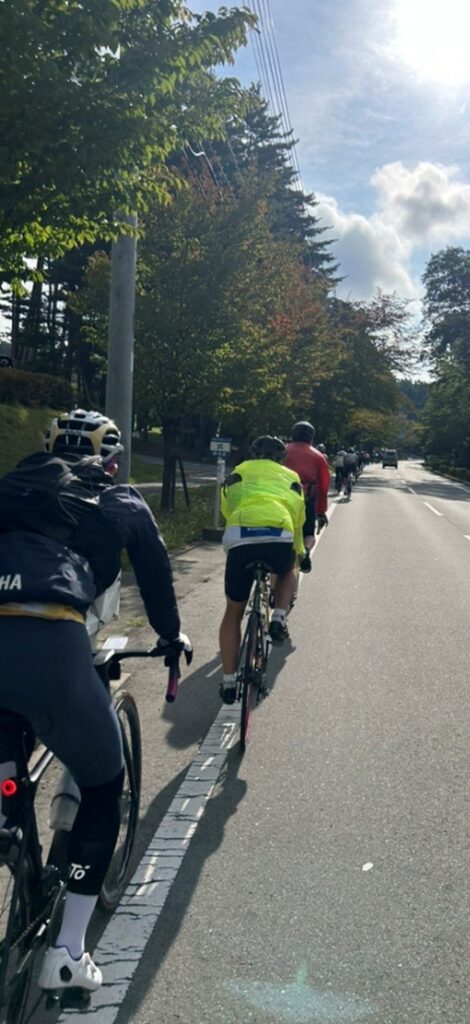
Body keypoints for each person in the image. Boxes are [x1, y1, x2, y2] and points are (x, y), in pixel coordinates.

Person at [0, 408, 191, 994]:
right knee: (105, 784)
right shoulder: (119, 499)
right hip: (49, 639)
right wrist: (169, 634)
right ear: (110, 460)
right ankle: (69, 950)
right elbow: (155, 571)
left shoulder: (11, 486)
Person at [218, 435, 305, 703]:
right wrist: (300, 552)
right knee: (288, 570)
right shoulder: (291, 476)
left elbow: (225, 508)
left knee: (233, 611)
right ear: (281, 459)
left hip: (241, 533)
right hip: (279, 532)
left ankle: (229, 681)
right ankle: (279, 616)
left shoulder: (239, 471)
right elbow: (298, 517)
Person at [283, 421, 330, 574]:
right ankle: (304, 553)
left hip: (279, 498)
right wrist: (321, 511)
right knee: (308, 534)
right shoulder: (319, 456)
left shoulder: (282, 450)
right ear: (312, 438)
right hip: (305, 500)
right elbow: (323, 488)